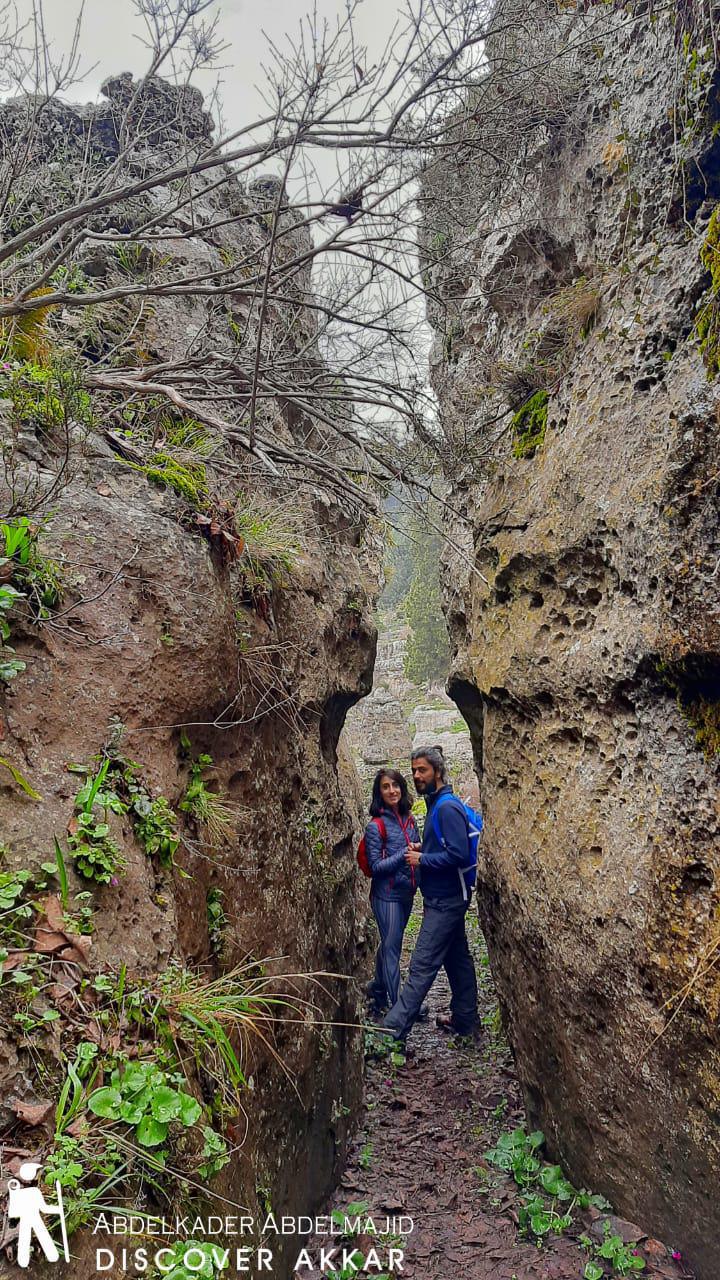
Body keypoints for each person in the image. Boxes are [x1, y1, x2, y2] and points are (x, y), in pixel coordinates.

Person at [381, 745, 479, 1046]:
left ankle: (390, 1034)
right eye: (413, 771)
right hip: (445, 897)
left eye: (422, 770)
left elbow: (460, 854)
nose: (416, 775)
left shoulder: (447, 807)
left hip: (446, 901)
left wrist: (422, 860)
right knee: (458, 959)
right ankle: (466, 1019)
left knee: (421, 966)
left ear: (437, 771)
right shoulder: (438, 804)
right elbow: (447, 847)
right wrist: (426, 849)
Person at [363, 768, 420, 1017]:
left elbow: (417, 854)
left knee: (389, 944)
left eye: (395, 785)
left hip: (406, 893)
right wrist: (404, 855)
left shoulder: (410, 820)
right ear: (379, 792)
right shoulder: (375, 827)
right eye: (385, 787)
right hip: (386, 896)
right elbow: (376, 867)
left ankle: (377, 989)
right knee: (392, 948)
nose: (392, 791)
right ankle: (399, 1008)